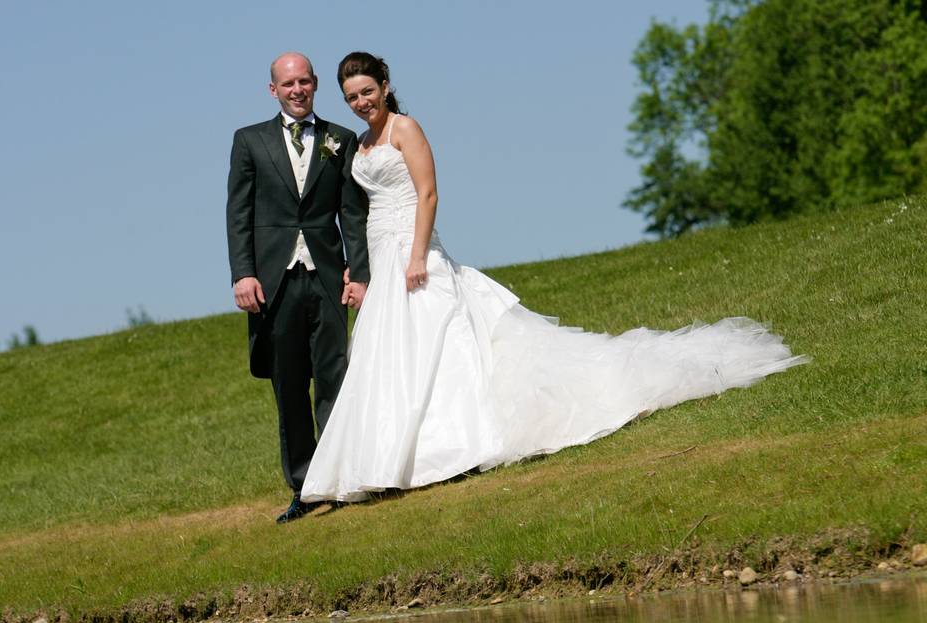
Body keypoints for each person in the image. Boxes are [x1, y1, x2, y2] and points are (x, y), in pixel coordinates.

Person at [299, 52, 807, 504]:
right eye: (351, 97)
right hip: (380, 254)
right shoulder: (361, 143)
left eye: (367, 91)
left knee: (438, 343)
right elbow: (363, 208)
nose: (361, 102)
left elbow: (428, 194)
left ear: (385, 86)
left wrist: (416, 257)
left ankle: (444, 448)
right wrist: (362, 268)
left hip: (412, 251)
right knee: (391, 355)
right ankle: (388, 459)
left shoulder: (405, 128)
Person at [225, 52, 369, 523]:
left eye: (305, 81)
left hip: (328, 275)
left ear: (315, 85)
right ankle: (305, 490)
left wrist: (360, 272)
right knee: (288, 385)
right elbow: (239, 213)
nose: (297, 90)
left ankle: (341, 480)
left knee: (333, 377)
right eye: (288, 84)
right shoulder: (249, 141)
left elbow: (351, 212)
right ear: (273, 90)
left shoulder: (340, 140)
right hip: (272, 281)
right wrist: (242, 273)